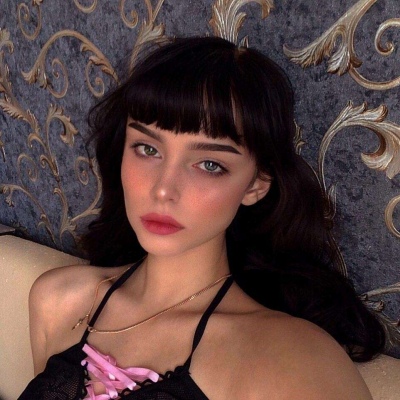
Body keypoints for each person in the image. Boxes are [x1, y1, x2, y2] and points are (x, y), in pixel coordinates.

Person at [19, 36, 385, 400]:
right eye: (147, 148)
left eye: (209, 164)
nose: (164, 189)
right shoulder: (59, 300)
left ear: (255, 185)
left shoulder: (293, 359)